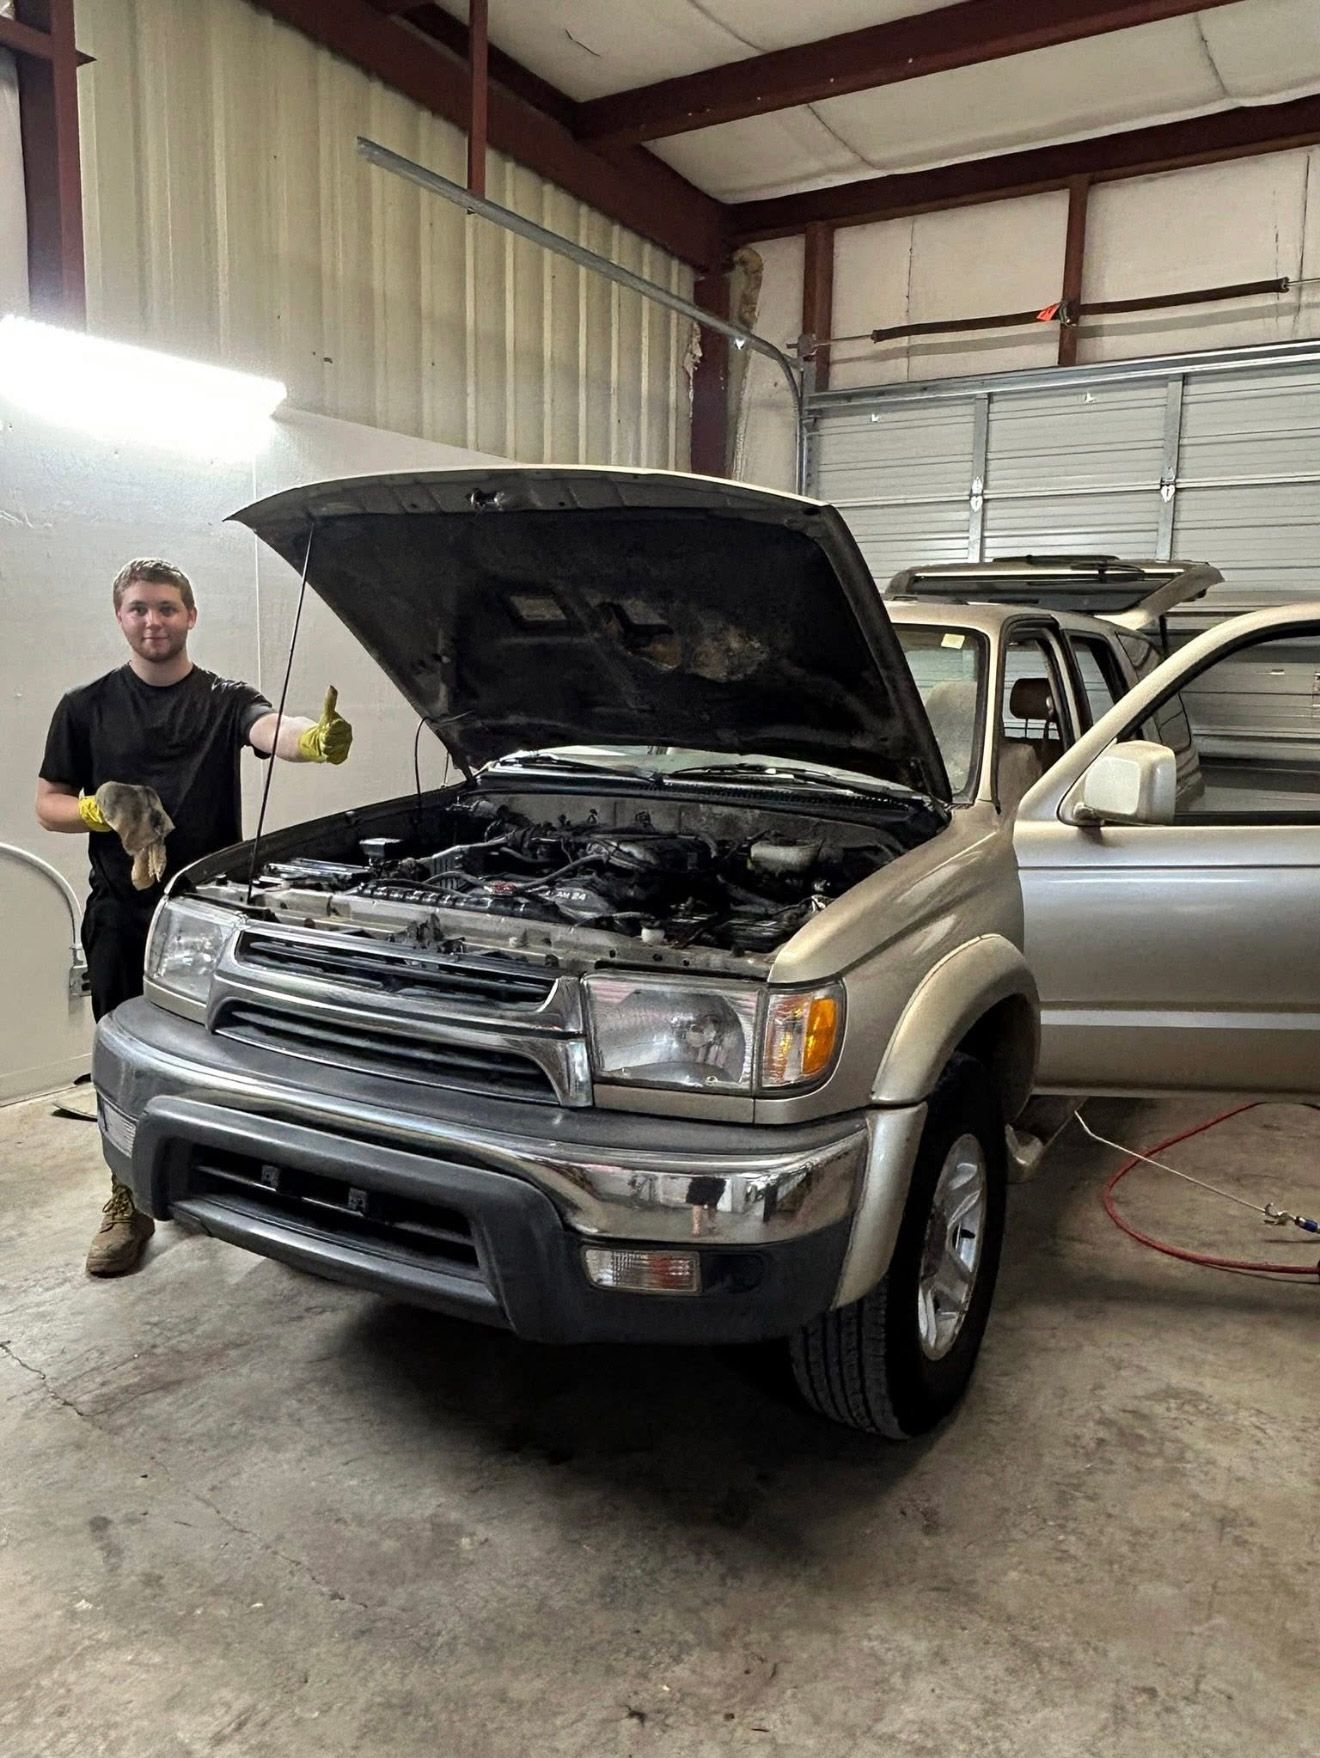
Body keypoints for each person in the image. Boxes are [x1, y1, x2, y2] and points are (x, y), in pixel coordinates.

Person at [35, 558, 353, 1278]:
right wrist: (96, 810)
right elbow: (47, 804)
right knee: (125, 1062)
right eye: (139, 608)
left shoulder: (222, 698)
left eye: (167, 608)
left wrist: (311, 739)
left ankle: (230, 1185)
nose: (154, 621)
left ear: (191, 616)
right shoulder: (85, 706)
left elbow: (267, 728)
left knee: (230, 1060)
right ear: (120, 616)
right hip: (123, 915)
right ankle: (127, 1199)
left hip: (212, 918)